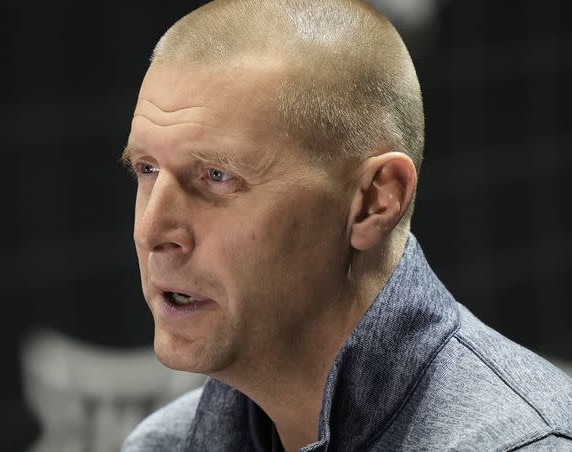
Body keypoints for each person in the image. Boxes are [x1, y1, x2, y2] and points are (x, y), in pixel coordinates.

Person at [119, 0, 572, 450]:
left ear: (374, 202)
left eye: (217, 176)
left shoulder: (526, 444)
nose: (151, 231)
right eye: (147, 169)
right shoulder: (160, 445)